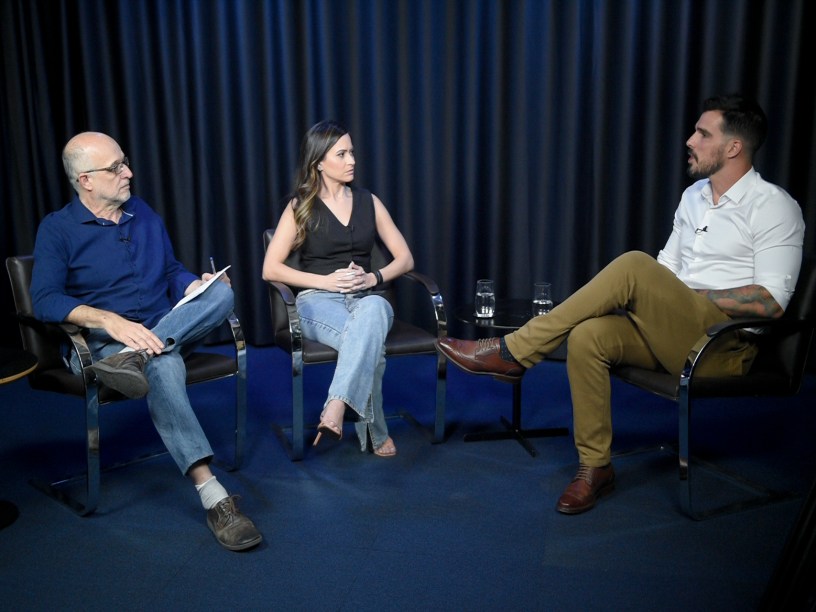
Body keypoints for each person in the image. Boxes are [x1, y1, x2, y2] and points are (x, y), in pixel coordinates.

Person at [437, 94, 806, 514]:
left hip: (724, 346)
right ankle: (596, 468)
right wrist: (660, 297)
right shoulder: (694, 198)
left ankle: (513, 351)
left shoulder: (774, 206)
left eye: (703, 134)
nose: (690, 140)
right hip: (675, 332)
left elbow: (771, 303)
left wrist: (689, 297)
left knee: (633, 265)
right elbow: (664, 272)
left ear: (734, 147)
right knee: (589, 334)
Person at [30, 132, 262, 551]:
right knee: (163, 363)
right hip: (103, 347)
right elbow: (44, 299)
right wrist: (110, 321)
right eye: (115, 167)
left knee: (222, 294)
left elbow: (171, 271)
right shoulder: (57, 229)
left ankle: (140, 353)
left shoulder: (143, 213)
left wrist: (198, 283)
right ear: (85, 180)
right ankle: (215, 499)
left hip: (163, 327)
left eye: (125, 162)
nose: (128, 172)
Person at [262, 120, 414, 457]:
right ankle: (376, 431)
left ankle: (335, 404)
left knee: (374, 311)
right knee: (368, 340)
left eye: (352, 153)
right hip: (317, 300)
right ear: (319, 162)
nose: (352, 161)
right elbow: (270, 269)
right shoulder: (300, 204)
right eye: (341, 154)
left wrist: (373, 279)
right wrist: (325, 281)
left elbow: (405, 258)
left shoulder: (368, 201)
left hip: (365, 298)